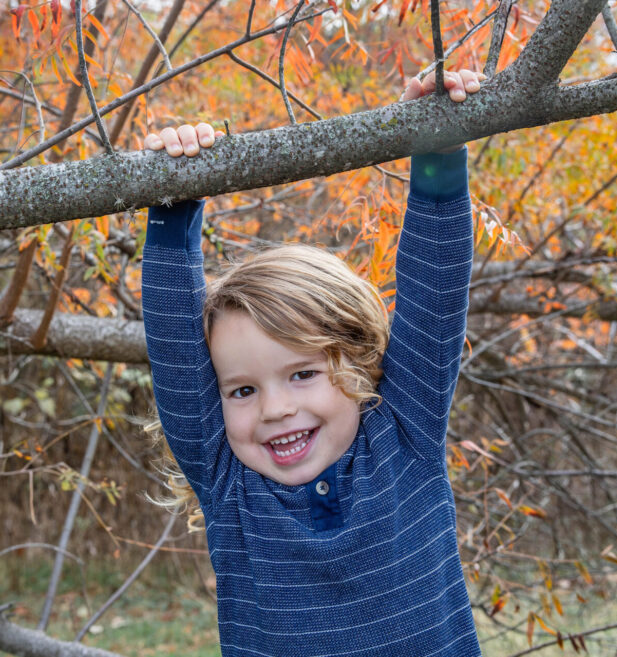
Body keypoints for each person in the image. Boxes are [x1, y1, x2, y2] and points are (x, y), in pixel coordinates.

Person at [140, 68, 485, 657]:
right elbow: (174, 340)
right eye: (241, 391)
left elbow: (435, 288)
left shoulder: (403, 436)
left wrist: (437, 147)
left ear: (357, 363)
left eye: (302, 373)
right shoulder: (229, 481)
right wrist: (173, 198)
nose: (274, 410)